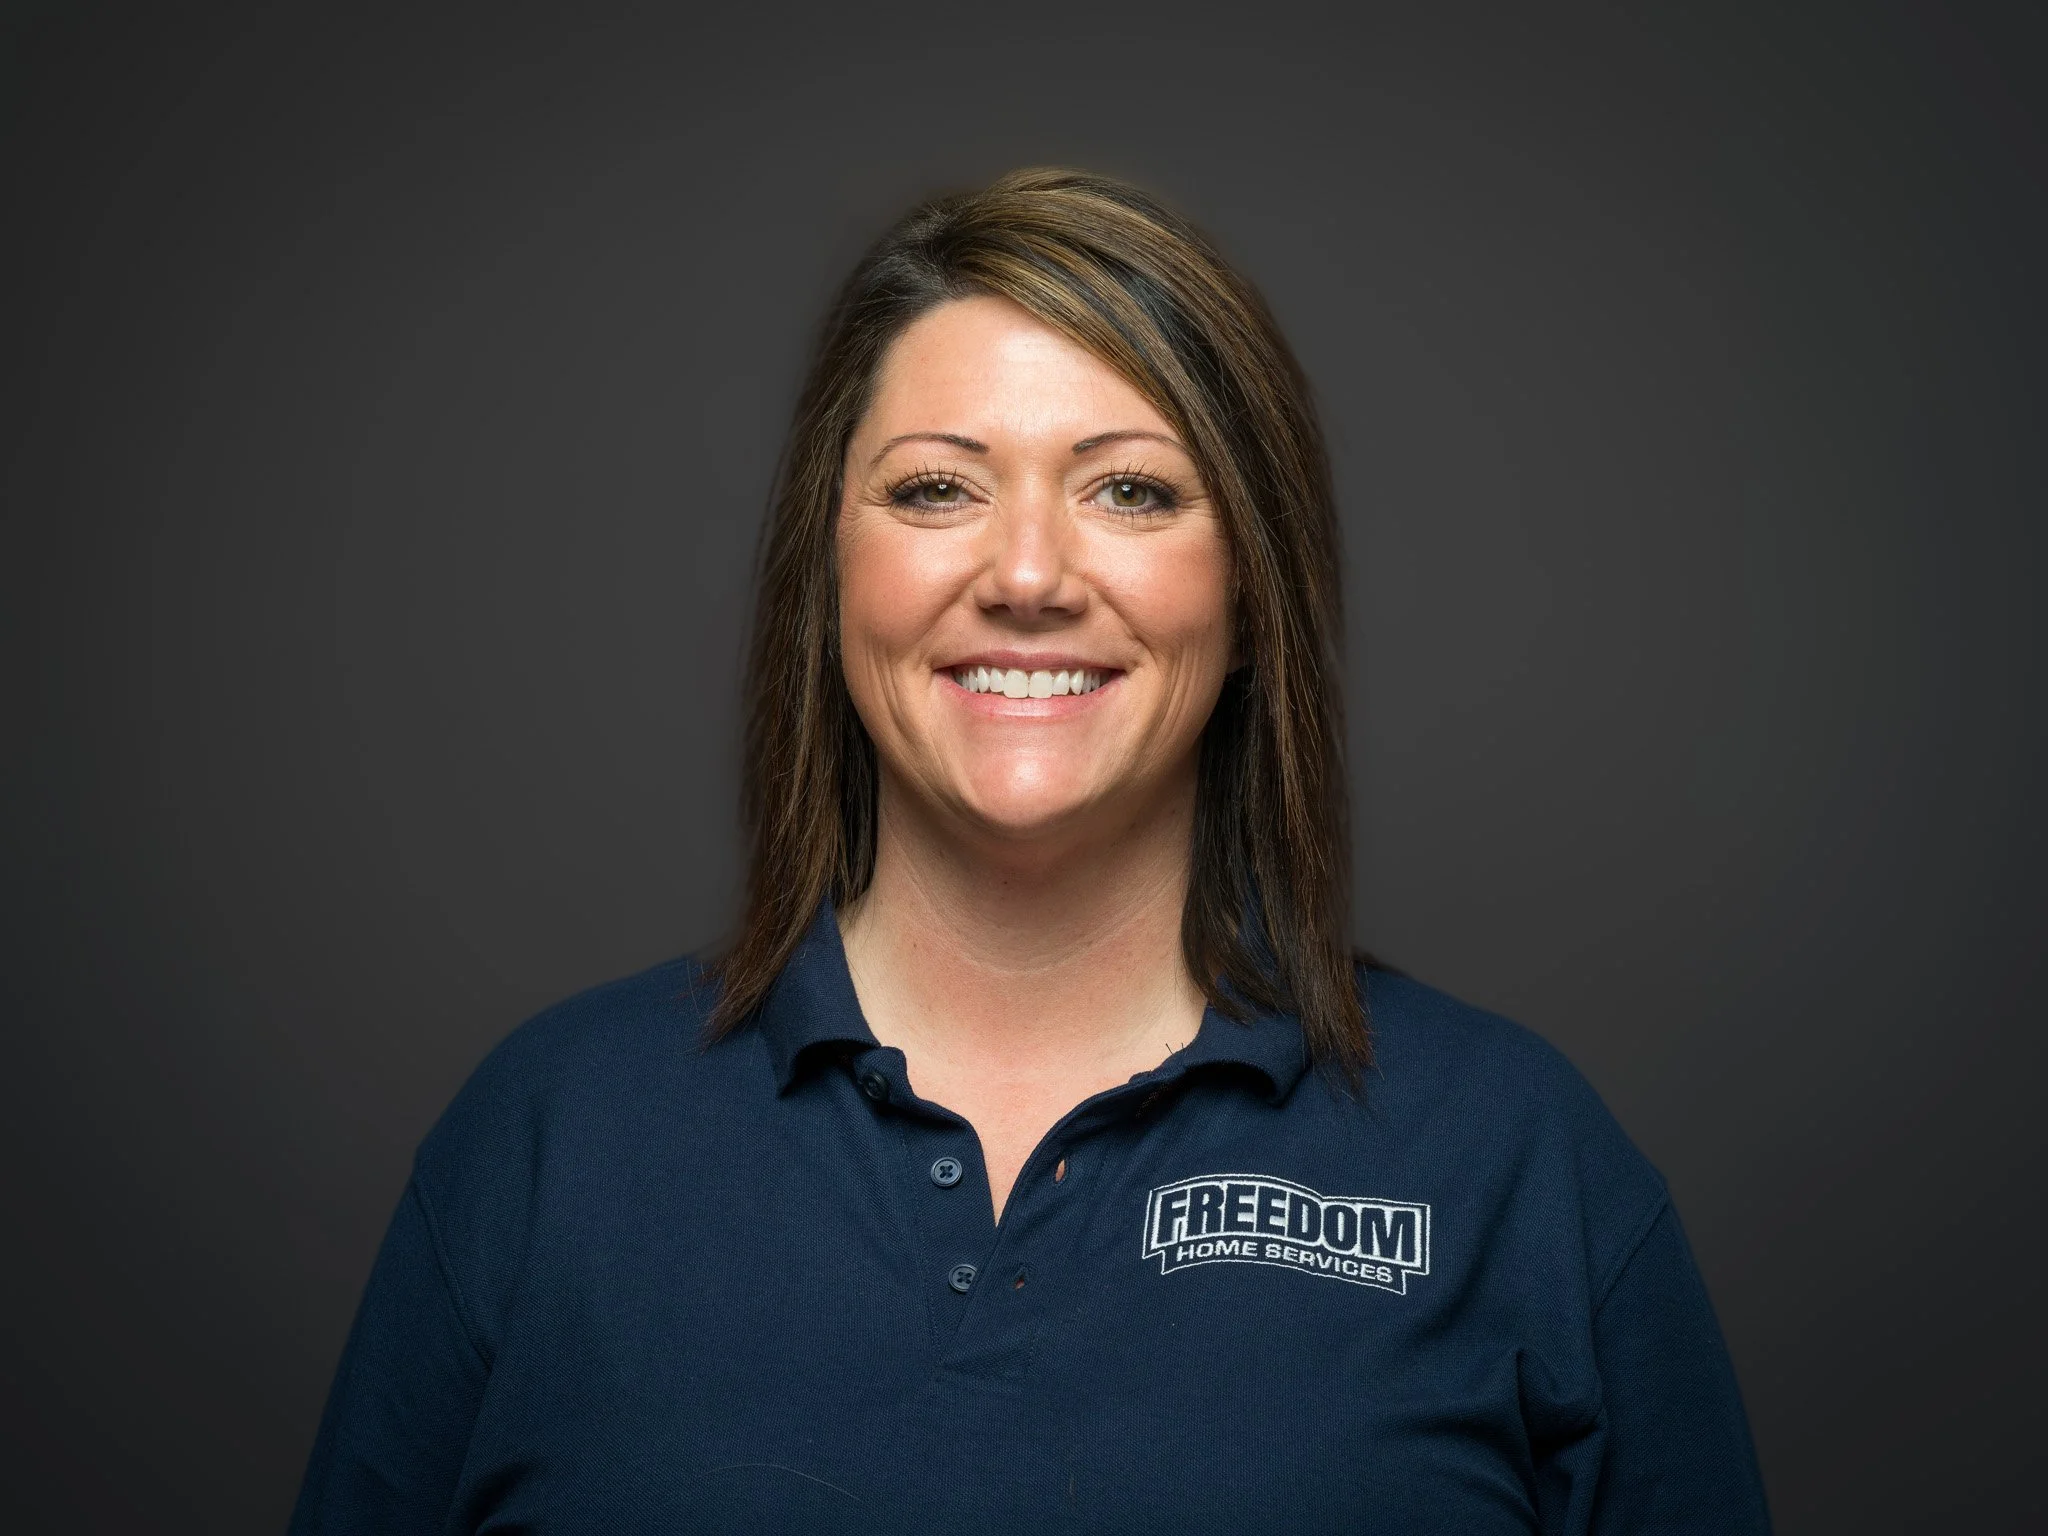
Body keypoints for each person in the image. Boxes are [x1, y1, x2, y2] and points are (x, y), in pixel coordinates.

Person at [290, 168, 1771, 1534]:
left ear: (1252, 587)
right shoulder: (549, 1142)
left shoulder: (1517, 1162)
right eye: (938, 487)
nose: (1025, 575)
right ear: (831, 569)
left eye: (1131, 488)